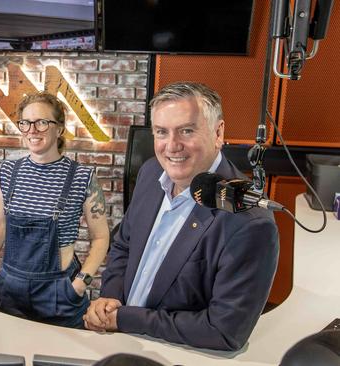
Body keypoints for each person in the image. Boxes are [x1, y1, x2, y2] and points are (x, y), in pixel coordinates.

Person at [83, 82, 279, 350]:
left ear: (218, 132)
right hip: (119, 340)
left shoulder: (251, 223)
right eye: (161, 132)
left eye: (186, 131)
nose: (172, 146)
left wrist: (127, 319)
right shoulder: (151, 172)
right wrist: (111, 298)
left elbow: (224, 332)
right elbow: (124, 245)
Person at [0, 92, 109, 328]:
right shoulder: (8, 171)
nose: (32, 130)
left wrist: (79, 283)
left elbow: (100, 237)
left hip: (58, 293)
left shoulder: (81, 177)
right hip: (9, 289)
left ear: (59, 129)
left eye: (41, 122)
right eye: (26, 123)